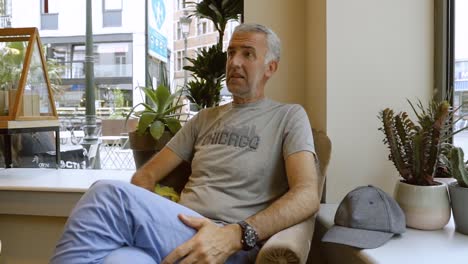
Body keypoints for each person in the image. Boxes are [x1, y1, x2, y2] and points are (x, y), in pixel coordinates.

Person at [50, 23, 320, 264]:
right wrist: (156, 214)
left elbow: (307, 195)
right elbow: (145, 175)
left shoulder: (288, 116)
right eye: (230, 53)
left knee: (107, 196)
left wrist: (238, 234)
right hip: (178, 228)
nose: (235, 62)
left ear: (270, 68)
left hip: (231, 243)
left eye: (247, 54)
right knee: (122, 258)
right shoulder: (204, 118)